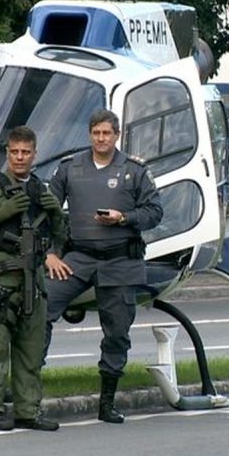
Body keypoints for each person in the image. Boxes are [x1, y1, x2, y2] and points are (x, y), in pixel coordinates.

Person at [44, 109, 163, 424]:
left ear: (117, 135)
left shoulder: (135, 170)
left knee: (117, 332)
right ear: (89, 134)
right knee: (40, 307)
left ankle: (107, 402)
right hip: (78, 257)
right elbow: (45, 212)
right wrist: (50, 253)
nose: (101, 139)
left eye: (106, 133)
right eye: (96, 133)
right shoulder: (70, 168)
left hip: (120, 259)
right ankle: (28, 392)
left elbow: (154, 212)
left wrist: (123, 218)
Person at [0, 126, 66, 431]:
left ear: (35, 154)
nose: (20, 158)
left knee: (31, 349)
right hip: (4, 279)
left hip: (35, 279)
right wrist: (0, 213)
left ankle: (28, 410)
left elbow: (60, 237)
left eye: (25, 152)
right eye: (15, 152)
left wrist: (57, 214)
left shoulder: (40, 189)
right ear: (7, 153)